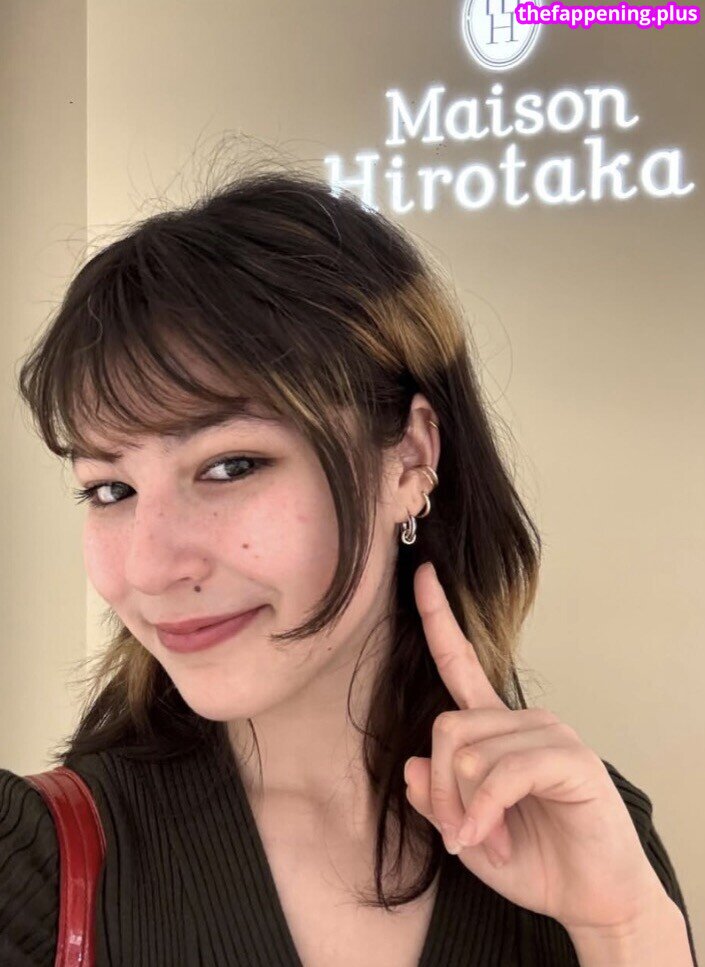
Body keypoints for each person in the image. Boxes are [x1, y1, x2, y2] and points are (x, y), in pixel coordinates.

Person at [0, 166, 697, 966]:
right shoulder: (31, 867)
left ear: (410, 458)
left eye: (230, 465)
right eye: (110, 488)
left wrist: (621, 929)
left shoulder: (585, 828)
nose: (151, 566)